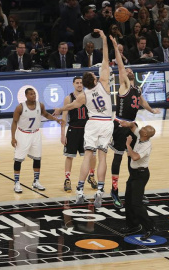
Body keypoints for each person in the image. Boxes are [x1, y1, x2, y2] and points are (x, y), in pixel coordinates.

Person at [53, 29, 113, 208]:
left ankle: (79, 190)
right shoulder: (103, 84)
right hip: (106, 123)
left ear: (84, 84)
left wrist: (59, 109)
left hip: (92, 124)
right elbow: (105, 59)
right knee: (102, 158)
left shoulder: (83, 96)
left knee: (87, 156)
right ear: (94, 79)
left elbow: (70, 107)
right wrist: (103, 39)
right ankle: (100, 192)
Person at [109, 35, 160, 208]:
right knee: (118, 158)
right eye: (127, 70)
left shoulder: (136, 89)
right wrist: (116, 47)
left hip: (132, 125)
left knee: (135, 158)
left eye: (130, 70)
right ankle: (114, 191)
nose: (128, 70)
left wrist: (152, 110)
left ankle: (135, 190)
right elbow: (121, 65)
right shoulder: (124, 85)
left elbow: (142, 101)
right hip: (120, 124)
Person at [11, 88, 63, 193]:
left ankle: (36, 181)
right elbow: (14, 122)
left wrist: (56, 119)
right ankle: (16, 182)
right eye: (31, 94)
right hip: (23, 134)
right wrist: (13, 137)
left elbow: (46, 114)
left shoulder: (40, 105)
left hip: (36, 134)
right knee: (18, 159)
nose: (33, 96)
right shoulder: (20, 107)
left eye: (34, 93)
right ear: (26, 96)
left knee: (37, 158)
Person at [119, 120, 158, 240]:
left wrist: (128, 146)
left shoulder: (146, 145)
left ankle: (150, 228)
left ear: (145, 134)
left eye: (145, 128)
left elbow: (135, 157)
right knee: (129, 200)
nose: (143, 128)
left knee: (137, 203)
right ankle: (133, 225)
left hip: (141, 175)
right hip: (134, 174)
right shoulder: (140, 136)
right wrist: (127, 123)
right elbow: (133, 126)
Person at [61, 76, 97, 192]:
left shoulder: (89, 96)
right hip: (73, 129)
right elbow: (64, 116)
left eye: (81, 83)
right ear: (73, 84)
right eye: (77, 83)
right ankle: (67, 179)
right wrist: (62, 134)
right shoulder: (69, 98)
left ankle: (91, 176)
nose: (79, 85)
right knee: (69, 156)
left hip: (87, 130)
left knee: (92, 155)